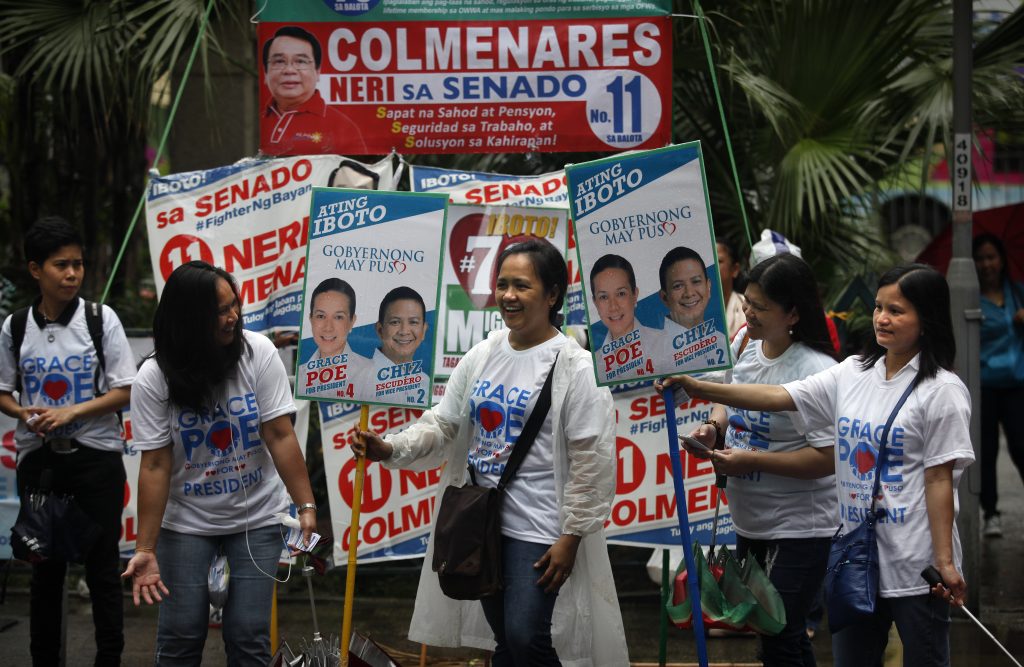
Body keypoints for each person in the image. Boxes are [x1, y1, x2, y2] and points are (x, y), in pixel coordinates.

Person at [657, 264, 973, 667]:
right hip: (855, 556)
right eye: (878, 307)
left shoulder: (943, 391)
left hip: (916, 564)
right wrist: (699, 387)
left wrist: (944, 562)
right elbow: (777, 396)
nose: (882, 318)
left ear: (926, 319)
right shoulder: (855, 372)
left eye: (897, 310)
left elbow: (939, 479)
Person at [351, 239, 628, 666]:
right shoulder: (484, 353)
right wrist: (389, 448)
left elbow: (593, 460)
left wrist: (571, 536)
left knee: (524, 636)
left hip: (539, 528)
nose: (508, 296)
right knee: (503, 640)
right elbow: (444, 424)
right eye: (502, 284)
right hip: (480, 523)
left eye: (522, 285)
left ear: (553, 294)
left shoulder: (577, 367)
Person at [122, 261, 317, 665]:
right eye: (220, 312)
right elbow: (156, 466)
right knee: (181, 634)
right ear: (189, 320)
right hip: (187, 522)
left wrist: (306, 506)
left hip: (258, 516)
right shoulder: (154, 378)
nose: (233, 318)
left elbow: (280, 435)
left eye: (235, 306)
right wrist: (146, 547)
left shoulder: (258, 353)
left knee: (248, 634)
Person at [684, 254, 840, 665]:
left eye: (760, 307)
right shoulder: (744, 343)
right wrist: (713, 431)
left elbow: (828, 459)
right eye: (748, 301)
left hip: (801, 525)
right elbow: (727, 400)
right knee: (775, 632)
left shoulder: (817, 370)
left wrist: (752, 460)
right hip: (750, 518)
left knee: (779, 631)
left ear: (793, 313)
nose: (748, 312)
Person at [0, 216, 136, 666]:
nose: (73, 274)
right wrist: (23, 413)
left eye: (78, 264)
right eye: (61, 265)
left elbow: (125, 389)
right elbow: (3, 390)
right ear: (35, 270)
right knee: (45, 574)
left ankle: (109, 660)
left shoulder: (101, 319)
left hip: (96, 461)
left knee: (102, 572)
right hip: (40, 463)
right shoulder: (16, 327)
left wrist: (70, 413)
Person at [973, 233, 1024, 538]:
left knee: (1021, 446)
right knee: (986, 451)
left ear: (1002, 260)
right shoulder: (968, 297)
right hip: (984, 387)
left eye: (992, 257)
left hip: (1018, 383)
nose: (987, 264)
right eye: (980, 258)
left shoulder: (1017, 292)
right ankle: (990, 513)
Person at [261, 26, 367, 156]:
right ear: (265, 73)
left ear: (318, 72)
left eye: (300, 61)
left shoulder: (342, 126)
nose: (289, 70)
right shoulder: (255, 118)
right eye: (279, 61)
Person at [653, 245, 730, 373]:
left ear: (708, 287)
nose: (689, 293)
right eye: (678, 286)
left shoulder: (722, 342)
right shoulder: (652, 351)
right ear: (665, 297)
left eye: (696, 281)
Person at [300, 277, 371, 400]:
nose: (328, 327)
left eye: (338, 317)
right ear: (311, 319)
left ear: (352, 321)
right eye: (321, 316)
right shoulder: (300, 375)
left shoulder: (370, 372)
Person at [589, 253, 658, 382]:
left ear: (635, 295)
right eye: (604, 297)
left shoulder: (664, 343)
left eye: (621, 294)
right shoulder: (591, 366)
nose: (613, 307)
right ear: (595, 303)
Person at [371, 286, 430, 405]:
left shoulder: (425, 382)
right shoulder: (361, 379)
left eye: (413, 322)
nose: (404, 331)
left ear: (423, 330)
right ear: (380, 330)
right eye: (395, 322)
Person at [717, 238, 746, 339]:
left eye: (718, 261)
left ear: (735, 269)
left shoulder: (748, 308)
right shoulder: (688, 313)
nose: (711, 267)